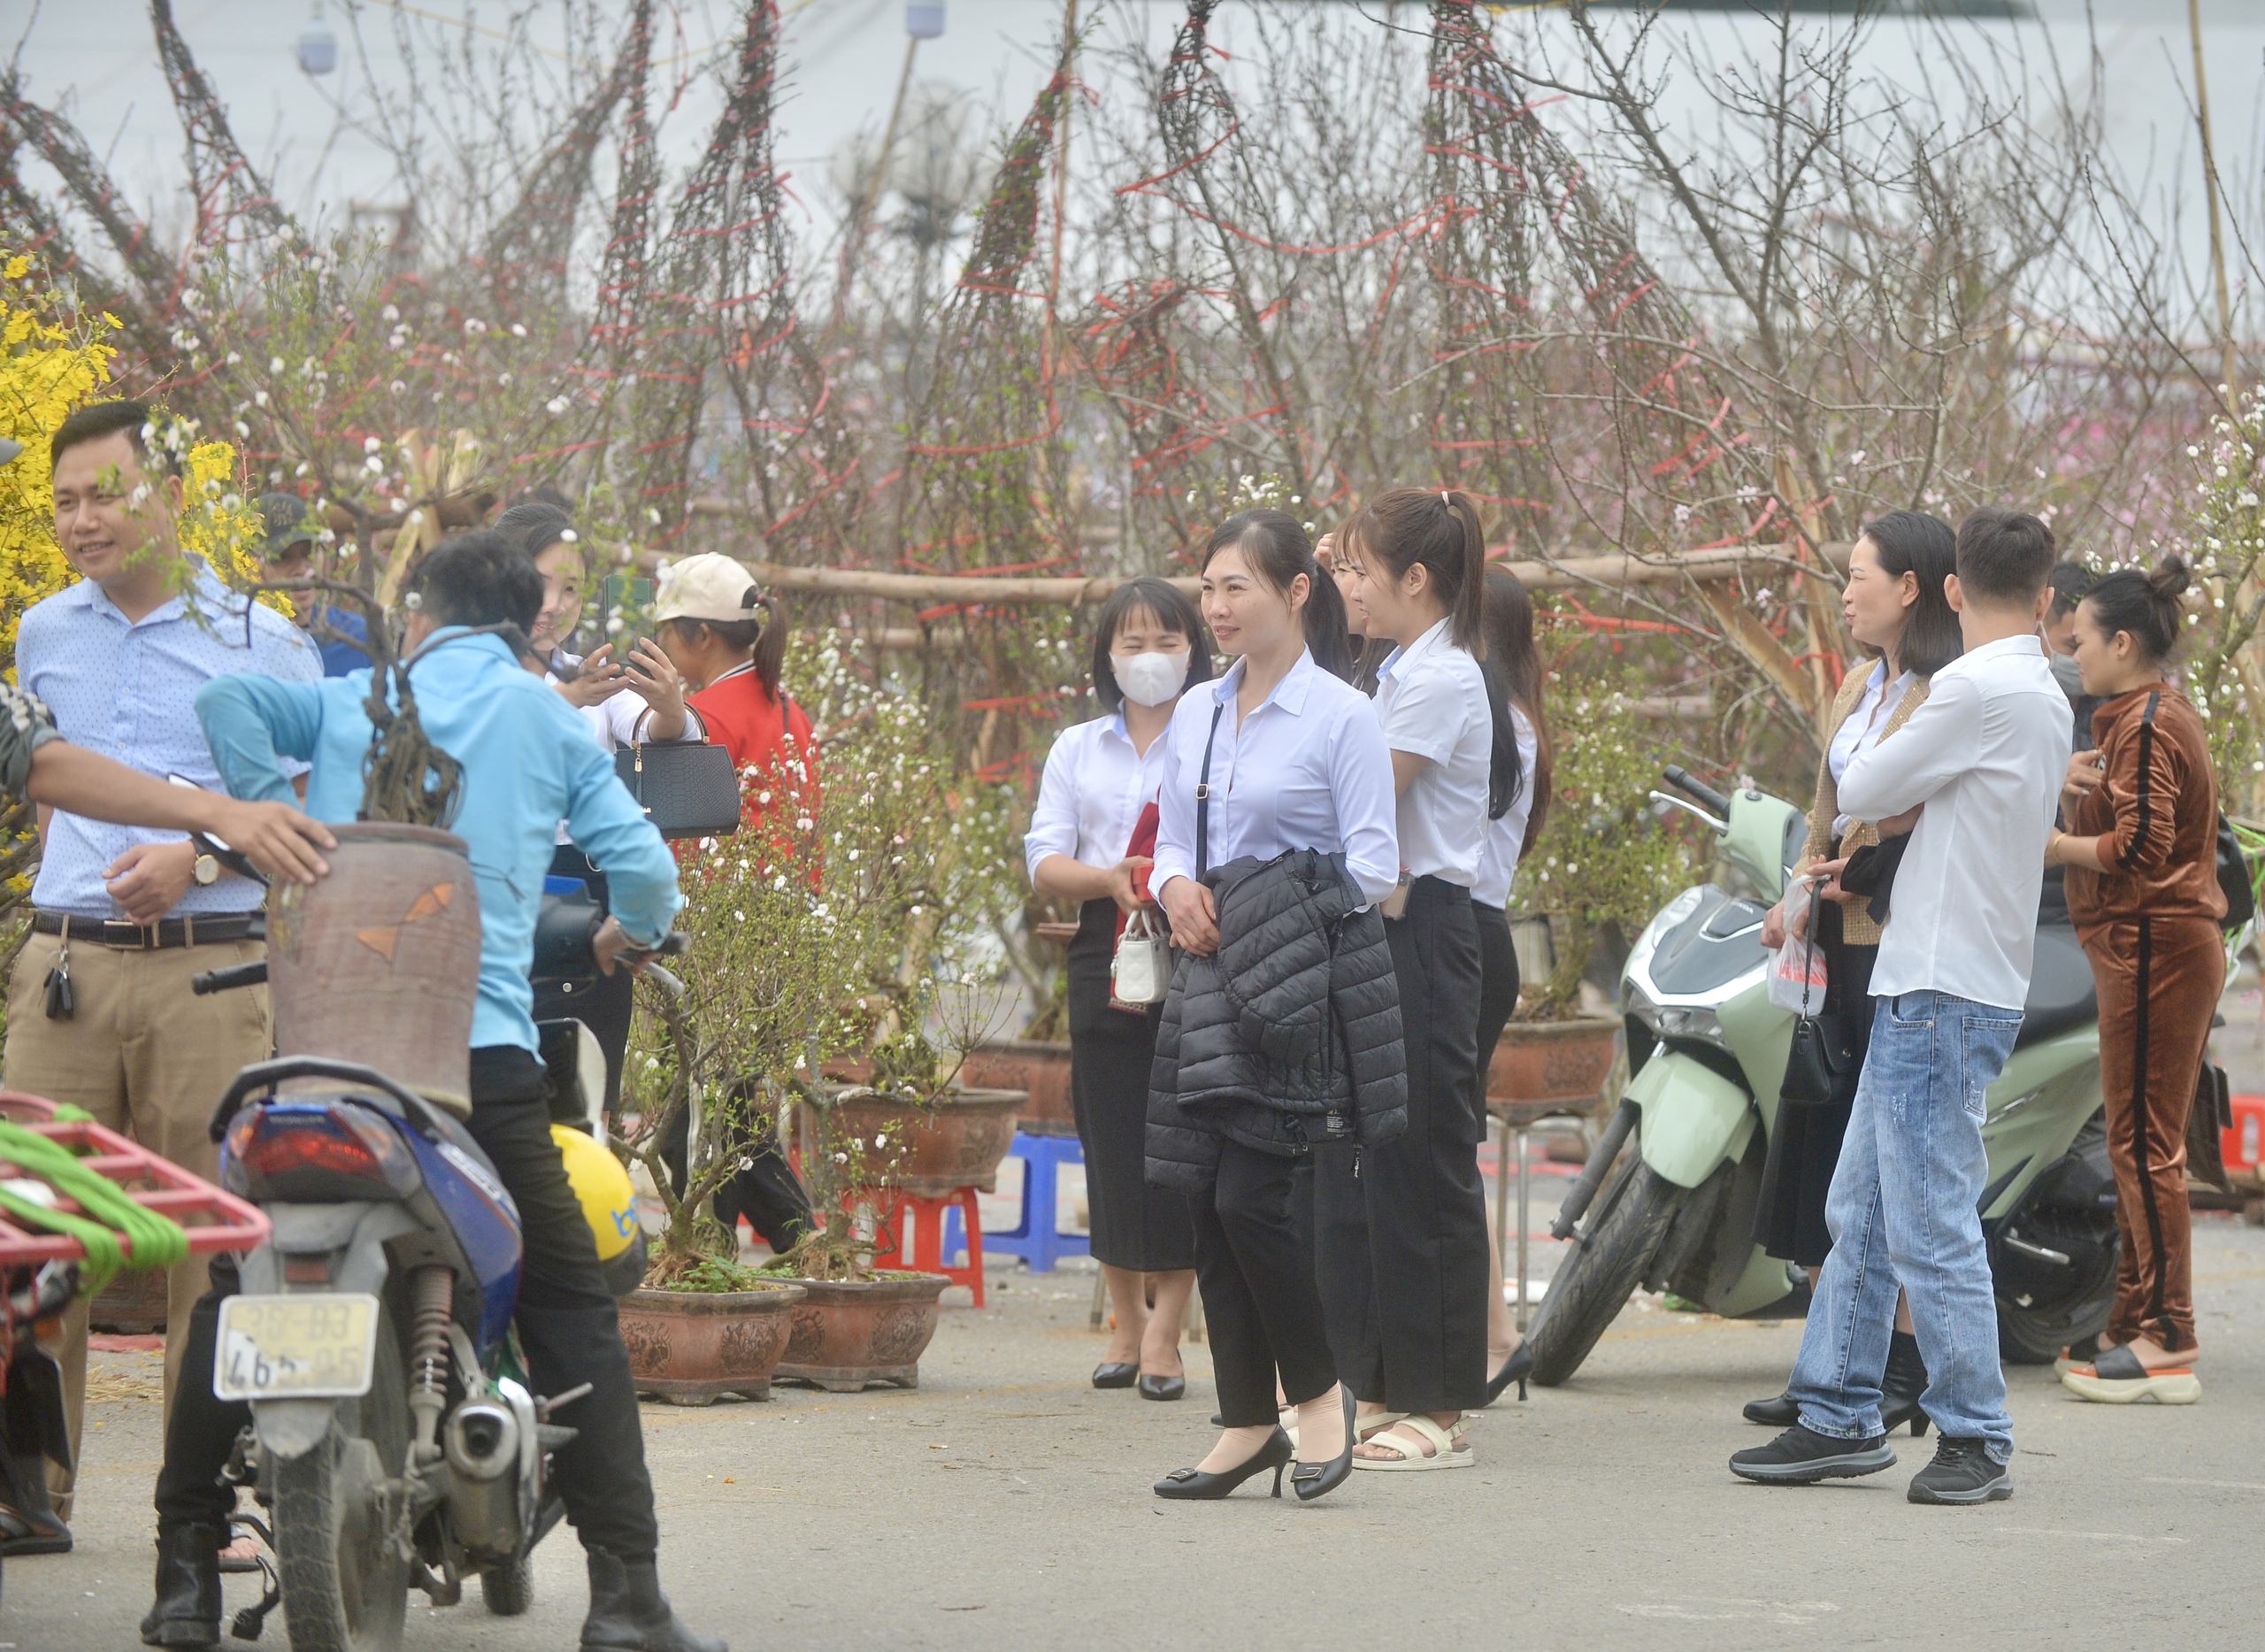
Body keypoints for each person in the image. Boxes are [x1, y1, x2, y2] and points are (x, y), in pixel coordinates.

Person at [164, 533, 723, 1651]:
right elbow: (647, 871)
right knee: (571, 1307)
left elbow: (225, 695)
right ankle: (626, 1598)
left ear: (416, 616)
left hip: (323, 1063)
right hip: (476, 1073)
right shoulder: (543, 716)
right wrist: (631, 933)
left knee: (240, 1288)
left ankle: (185, 1573)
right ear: (525, 631)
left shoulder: (349, 699)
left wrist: (277, 825)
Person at [4, 400, 321, 1541]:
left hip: (212, 974)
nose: (83, 520)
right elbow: (40, 765)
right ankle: (28, 1487)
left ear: (173, 494)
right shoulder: (42, 631)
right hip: (63, 972)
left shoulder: (267, 644)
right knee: (31, 1237)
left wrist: (199, 853)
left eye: (106, 493)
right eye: (65, 503)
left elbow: (306, 812)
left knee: (220, 1249)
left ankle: (214, 1506)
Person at [1731, 507, 2069, 1506]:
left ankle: (1975, 1433)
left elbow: (1861, 773)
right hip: (1955, 974)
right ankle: (1837, 1408)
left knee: (1924, 1217)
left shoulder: (1969, 687)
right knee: (1866, 1207)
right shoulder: (2045, 691)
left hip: (1937, 978)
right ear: (2047, 597)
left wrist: (1898, 786)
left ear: (1955, 590)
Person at [1144, 509, 1398, 1505]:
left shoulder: (1343, 716)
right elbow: (1170, 839)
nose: (1215, 607)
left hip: (1295, 991)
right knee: (1207, 1202)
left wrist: (1276, 899)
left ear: (1296, 593)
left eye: (1236, 587)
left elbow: (1375, 864)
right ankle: (1246, 1424)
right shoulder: (1199, 711)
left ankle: (1319, 1395)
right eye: (1207, 588)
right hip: (1207, 978)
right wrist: (1174, 889)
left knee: (1253, 1196)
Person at [1742, 511, 1962, 1435]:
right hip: (1835, 942)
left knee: (1894, 1165)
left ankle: (1898, 1363)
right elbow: (1823, 811)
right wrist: (1796, 893)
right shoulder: (1854, 689)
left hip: (1901, 941)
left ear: (1908, 586)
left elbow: (1928, 813)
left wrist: (1845, 874)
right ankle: (1832, 1355)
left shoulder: (1945, 692)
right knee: (1827, 1147)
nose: (1844, 589)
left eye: (1858, 573)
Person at [1321, 488, 1501, 1471]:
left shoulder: (1440, 678)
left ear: (1415, 578)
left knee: (1428, 1159)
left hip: (1429, 929)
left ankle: (1441, 1404)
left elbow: (1356, 796)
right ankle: (1385, 1379)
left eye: (1358, 568)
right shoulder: (1397, 669)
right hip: (1385, 928)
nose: (1346, 586)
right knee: (1375, 1162)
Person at [1025, 578, 1209, 1400]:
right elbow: (1043, 861)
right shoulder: (1078, 746)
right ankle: (1125, 1330)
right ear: (1107, 655)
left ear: (1194, 649)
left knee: (1184, 1132)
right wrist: (1109, 877)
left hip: (1199, 939)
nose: (1151, 658)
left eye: (1167, 641)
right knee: (1111, 1135)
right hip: (1105, 942)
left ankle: (1169, 1334)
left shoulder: (1215, 736)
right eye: (1132, 643)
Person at [2049, 557, 2220, 1406]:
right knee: (2134, 1142)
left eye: (2080, 640)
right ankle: (2130, 1317)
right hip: (2150, 946)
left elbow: (2142, 848)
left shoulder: (2148, 722)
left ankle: (2169, 1335)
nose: (2072, 653)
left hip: (2157, 945)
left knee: (2148, 1147)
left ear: (2122, 642)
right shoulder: (2143, 716)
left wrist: (2055, 847)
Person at [496, 499, 696, 1117]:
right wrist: (562, 697)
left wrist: (667, 703)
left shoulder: (591, 669)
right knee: (505, 1077)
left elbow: (655, 730)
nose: (552, 603)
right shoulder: (475, 669)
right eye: (537, 583)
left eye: (569, 586)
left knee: (588, 1085)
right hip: (503, 886)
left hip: (587, 891)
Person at [650, 552, 817, 1256]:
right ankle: (774, 1239)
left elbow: (683, 836)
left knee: (706, 1100)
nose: (658, 649)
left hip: (717, 926)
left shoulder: (705, 716)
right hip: (780, 924)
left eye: (664, 634)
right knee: (730, 1097)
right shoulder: (785, 706)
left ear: (699, 637)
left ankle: (731, 1242)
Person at [1470, 567, 1550, 1402]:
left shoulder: (1498, 723)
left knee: (1449, 1149)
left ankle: (1492, 1333)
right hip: (1482, 933)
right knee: (1453, 1145)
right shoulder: (1514, 716)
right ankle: (1493, 1331)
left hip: (1469, 932)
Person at [254, 491, 370, 676]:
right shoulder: (247, 641)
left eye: (308, 553)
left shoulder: (356, 635)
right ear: (253, 567)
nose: (300, 569)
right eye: (283, 558)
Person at [2043, 559, 2098, 748]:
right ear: (2039, 632)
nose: (2082, 657)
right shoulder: (2015, 705)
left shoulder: (2108, 718)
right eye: (2074, 645)